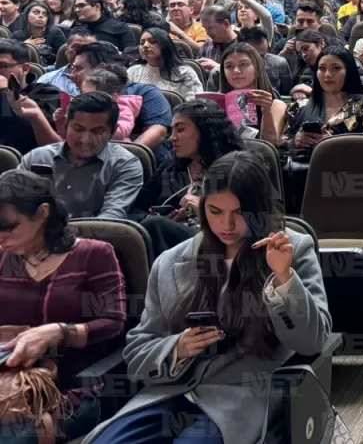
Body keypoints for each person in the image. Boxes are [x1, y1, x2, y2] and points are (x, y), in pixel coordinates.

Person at [82, 154, 331, 444]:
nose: (226, 224)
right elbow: (138, 351)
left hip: (242, 394)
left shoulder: (294, 249)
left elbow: (312, 341)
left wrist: (284, 277)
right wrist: (178, 347)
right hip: (170, 390)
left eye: (239, 213)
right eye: (214, 211)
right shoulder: (171, 261)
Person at [0, 169, 127, 444]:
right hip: (6, 380)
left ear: (43, 213)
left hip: (68, 390)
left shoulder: (93, 254)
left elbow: (114, 322)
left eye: (8, 226)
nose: (0, 236)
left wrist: (59, 332)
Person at [264, 46, 363, 210]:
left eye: (336, 68)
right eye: (322, 69)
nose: (327, 75)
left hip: (346, 177)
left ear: (350, 71)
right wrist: (295, 140)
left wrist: (333, 144)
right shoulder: (300, 106)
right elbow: (280, 142)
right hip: (299, 176)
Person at [134, 100, 244, 253]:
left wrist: (204, 209)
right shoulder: (171, 167)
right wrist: (165, 219)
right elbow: (137, 209)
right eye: (172, 131)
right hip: (169, 243)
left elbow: (259, 218)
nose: (172, 138)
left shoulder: (239, 168)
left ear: (205, 130)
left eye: (180, 130)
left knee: (155, 225)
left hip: (221, 242)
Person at [19, 92, 144, 219]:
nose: (85, 139)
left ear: (112, 131)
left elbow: (111, 218)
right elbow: (12, 204)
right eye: (78, 129)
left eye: (97, 132)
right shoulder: (36, 158)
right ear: (66, 125)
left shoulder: (125, 165)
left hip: (93, 236)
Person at [127, 27, 204, 100]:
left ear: (165, 45)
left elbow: (195, 106)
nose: (145, 46)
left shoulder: (185, 73)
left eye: (153, 42)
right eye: (142, 43)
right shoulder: (132, 72)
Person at [68, 0, 134, 52]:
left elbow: (130, 55)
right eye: (75, 7)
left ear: (97, 7)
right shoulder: (75, 30)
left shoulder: (120, 28)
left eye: (82, 6)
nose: (76, 10)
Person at [12, 1, 65, 67]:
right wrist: (24, 46)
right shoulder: (17, 36)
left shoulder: (56, 33)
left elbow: (63, 58)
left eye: (44, 14)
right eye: (36, 12)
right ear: (27, 15)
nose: (41, 16)